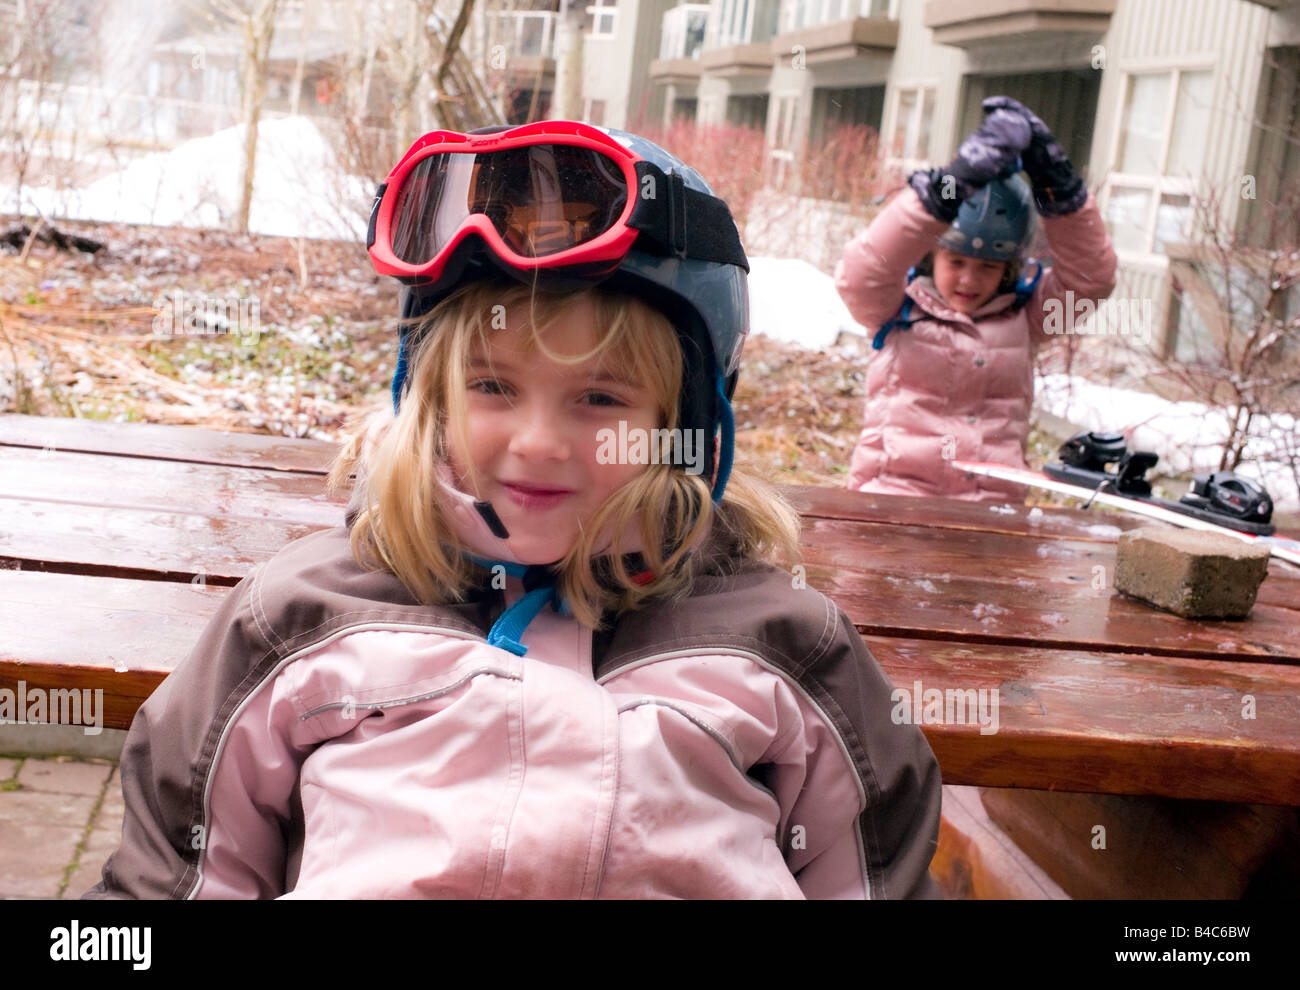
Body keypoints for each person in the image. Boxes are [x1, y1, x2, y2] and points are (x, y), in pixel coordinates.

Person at [85, 121, 941, 899]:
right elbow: (176, 879)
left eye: (599, 398)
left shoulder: (786, 647)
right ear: (430, 398)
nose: (538, 442)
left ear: (684, 425)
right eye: (492, 386)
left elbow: (874, 875)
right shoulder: (296, 625)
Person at [835, 97, 1118, 500]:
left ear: (1010, 268)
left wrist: (1061, 190)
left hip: (991, 514)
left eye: (989, 266)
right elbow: (863, 270)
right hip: (892, 500)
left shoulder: (1027, 318)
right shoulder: (895, 309)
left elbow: (1093, 281)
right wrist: (941, 192)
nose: (970, 279)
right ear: (932, 254)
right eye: (957, 261)